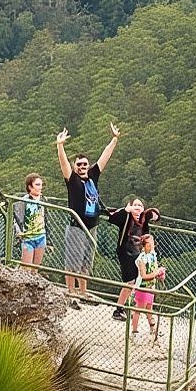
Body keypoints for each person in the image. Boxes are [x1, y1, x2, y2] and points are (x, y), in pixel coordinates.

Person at [56, 122, 120, 297]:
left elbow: (104, 157)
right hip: (77, 226)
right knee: (73, 261)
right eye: (79, 165)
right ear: (75, 167)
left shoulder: (92, 177)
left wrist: (114, 139)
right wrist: (60, 146)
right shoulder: (73, 181)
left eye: (85, 164)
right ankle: (70, 292)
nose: (83, 167)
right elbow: (63, 165)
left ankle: (83, 292)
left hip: (92, 226)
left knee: (86, 261)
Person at [107, 197, 160, 320]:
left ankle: (131, 306)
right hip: (126, 252)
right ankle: (119, 309)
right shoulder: (126, 217)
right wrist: (126, 210)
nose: (137, 207)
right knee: (130, 282)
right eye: (134, 204)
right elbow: (112, 218)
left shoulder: (143, 220)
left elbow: (156, 215)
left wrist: (151, 214)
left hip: (138, 253)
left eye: (140, 205)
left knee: (139, 281)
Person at [131, 234, 165, 339]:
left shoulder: (152, 255)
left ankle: (152, 328)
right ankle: (134, 331)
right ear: (144, 245)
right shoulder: (141, 259)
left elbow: (153, 269)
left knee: (149, 307)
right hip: (143, 287)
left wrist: (160, 273)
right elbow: (144, 275)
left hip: (150, 286)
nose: (152, 245)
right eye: (150, 243)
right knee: (139, 309)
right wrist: (156, 273)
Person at [13, 173, 47, 274]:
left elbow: (46, 219)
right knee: (26, 270)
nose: (40, 187)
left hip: (41, 236)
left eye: (41, 184)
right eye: (37, 185)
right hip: (28, 238)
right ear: (30, 186)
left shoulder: (43, 200)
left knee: (35, 270)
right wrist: (19, 232)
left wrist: (49, 241)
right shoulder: (23, 201)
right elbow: (16, 218)